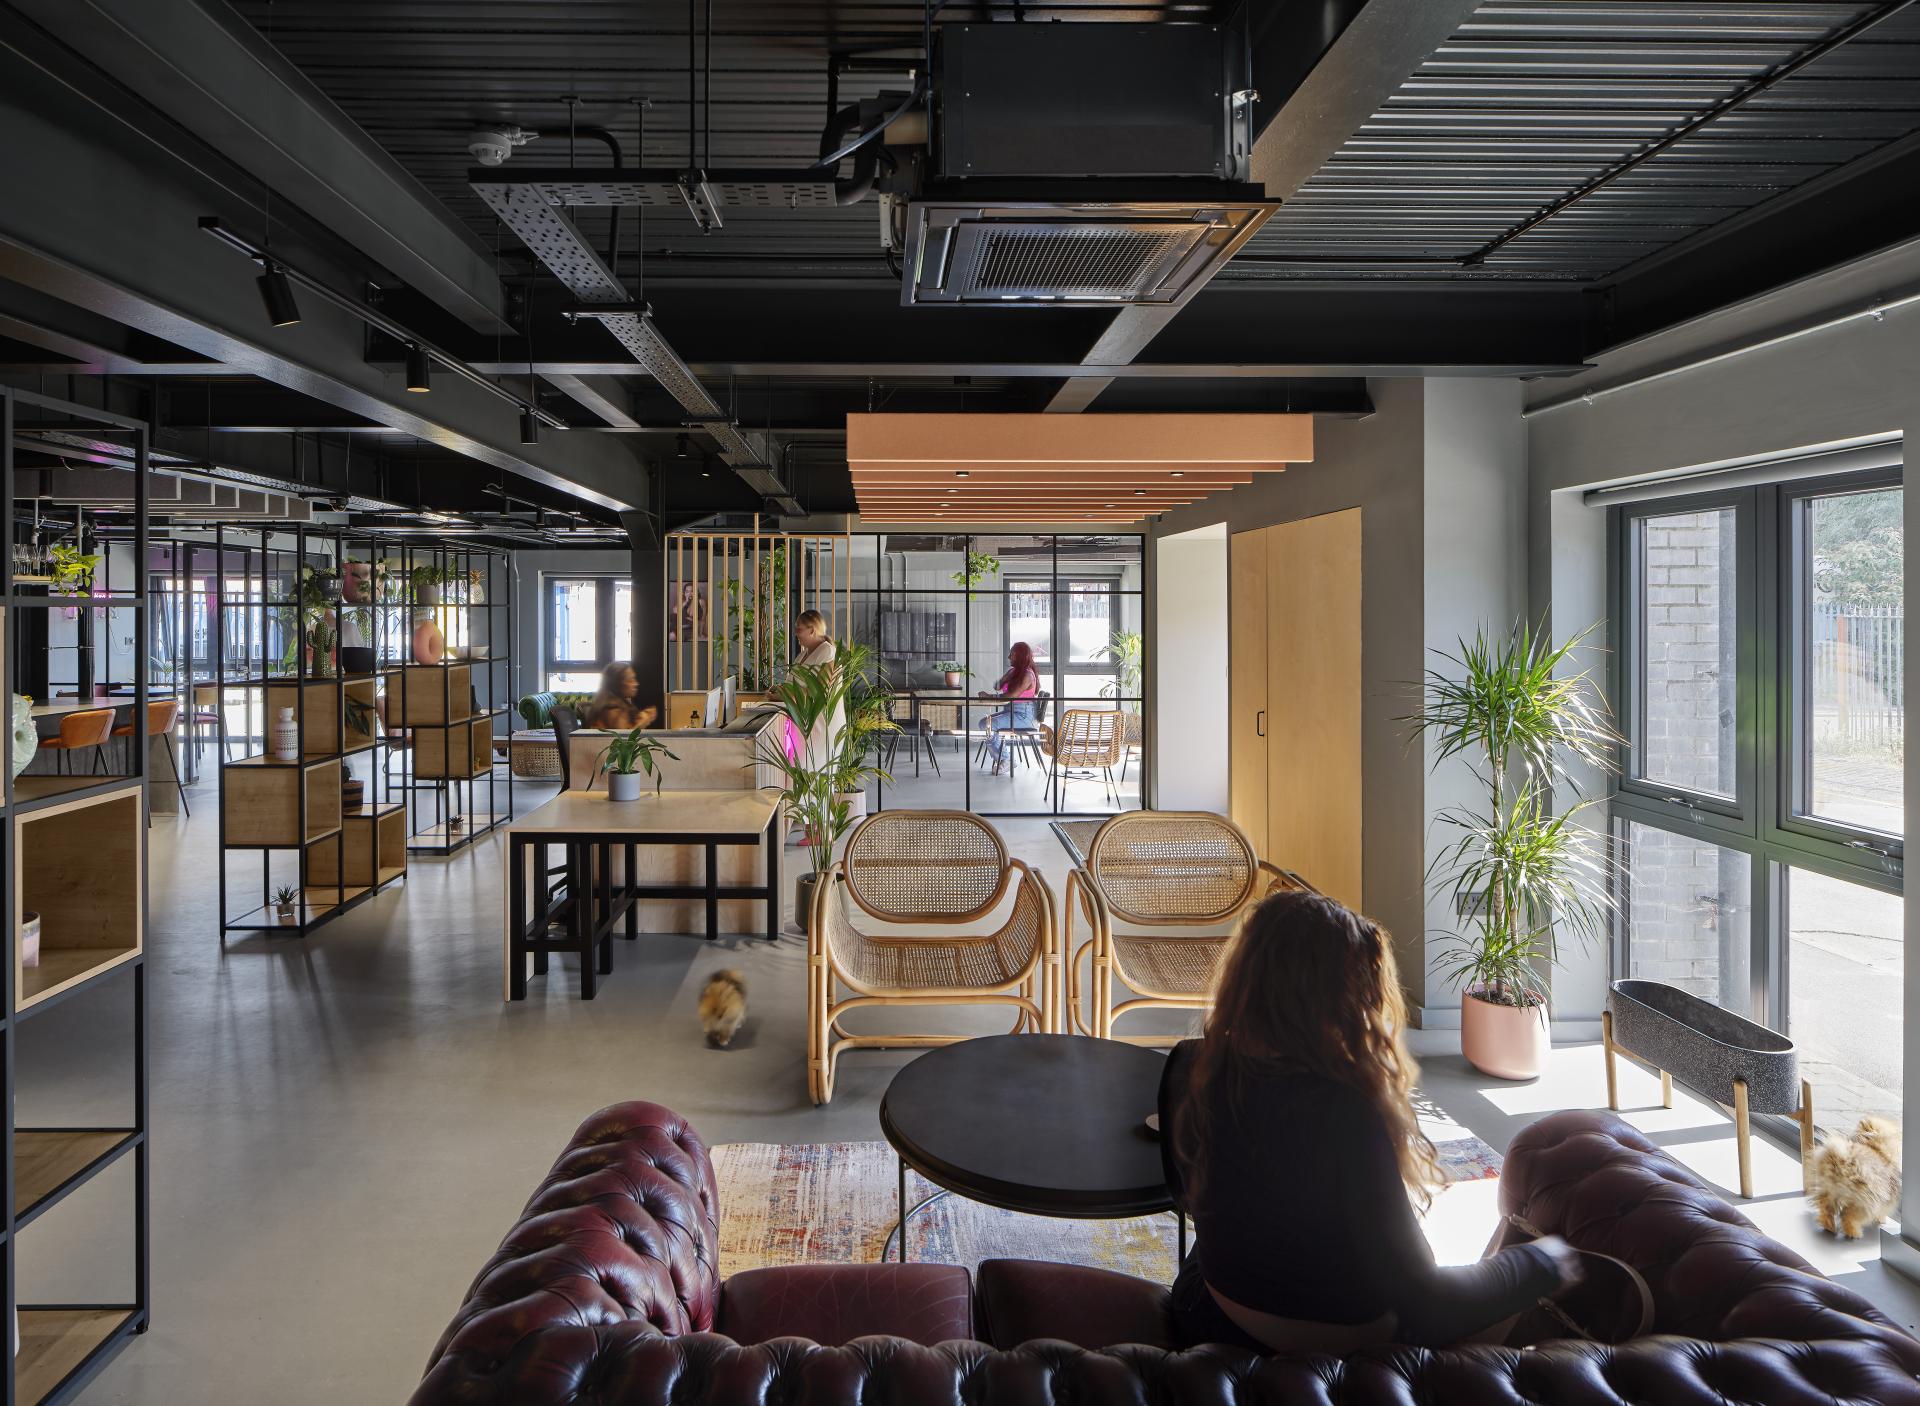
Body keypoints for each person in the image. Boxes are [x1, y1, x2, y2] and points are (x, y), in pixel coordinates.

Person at [1159, 890, 1583, 1352]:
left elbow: (1186, 1195)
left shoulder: (1190, 1067)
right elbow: (1424, 1300)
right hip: (1344, 1343)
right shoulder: (1346, 1111)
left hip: (1212, 1313)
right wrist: (1543, 1263)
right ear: (1345, 1001)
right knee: (1515, 1267)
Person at [792, 610, 843, 769]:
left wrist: (785, 695)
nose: (796, 633)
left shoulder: (827, 652)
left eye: (799, 629)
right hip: (804, 722)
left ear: (812, 630)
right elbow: (793, 685)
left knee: (814, 772)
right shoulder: (802, 655)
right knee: (801, 771)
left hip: (822, 722)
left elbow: (819, 691)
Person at [979, 641, 1039, 775]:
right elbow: (997, 686)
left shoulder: (1027, 675)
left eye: (1012, 654)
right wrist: (1007, 676)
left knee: (986, 725)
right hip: (1011, 712)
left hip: (1022, 716)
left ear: (1020, 656)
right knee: (983, 723)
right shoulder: (1015, 672)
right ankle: (1003, 759)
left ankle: (1006, 760)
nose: (1008, 657)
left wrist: (990, 697)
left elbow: (1010, 696)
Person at [582, 662, 657, 732]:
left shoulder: (623, 705)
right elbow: (624, 742)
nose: (636, 684)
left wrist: (641, 717)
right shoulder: (611, 709)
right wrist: (643, 722)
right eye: (630, 680)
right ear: (616, 683)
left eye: (634, 679)